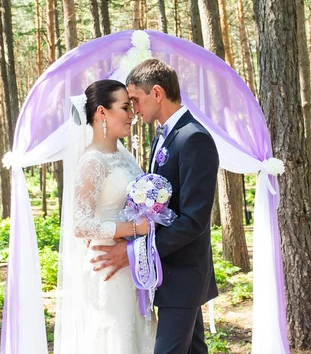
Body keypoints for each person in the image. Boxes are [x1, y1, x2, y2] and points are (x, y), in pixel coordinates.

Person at [91, 59, 219, 353]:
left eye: (135, 99)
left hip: (184, 274)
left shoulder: (194, 138)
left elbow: (194, 220)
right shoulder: (163, 138)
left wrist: (136, 253)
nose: (133, 109)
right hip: (169, 273)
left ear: (157, 93)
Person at [54, 79, 157, 353]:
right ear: (102, 112)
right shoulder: (93, 160)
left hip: (131, 261)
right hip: (108, 267)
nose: (132, 115)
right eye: (124, 107)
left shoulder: (122, 155)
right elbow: (81, 224)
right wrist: (134, 228)